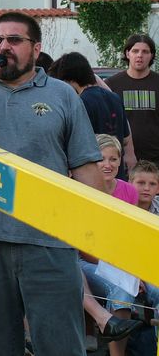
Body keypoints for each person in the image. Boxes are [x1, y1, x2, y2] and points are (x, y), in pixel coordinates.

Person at [0, 11, 104, 356]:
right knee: (0, 346)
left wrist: (97, 232)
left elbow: (86, 169)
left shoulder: (62, 95)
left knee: (60, 345)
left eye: (14, 40)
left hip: (49, 240)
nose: (4, 47)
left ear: (36, 48)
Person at [79, 134, 157, 356]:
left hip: (123, 262)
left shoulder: (128, 191)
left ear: (120, 161)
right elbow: (85, 248)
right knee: (122, 290)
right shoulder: (82, 190)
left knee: (153, 288)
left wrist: (134, 270)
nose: (108, 164)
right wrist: (123, 271)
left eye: (113, 159)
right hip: (89, 262)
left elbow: (129, 238)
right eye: (101, 159)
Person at [50, 51, 136, 178]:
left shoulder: (80, 103)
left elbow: (76, 146)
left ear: (68, 80)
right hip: (115, 174)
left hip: (94, 177)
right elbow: (125, 139)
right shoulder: (114, 98)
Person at [106, 35, 159, 166]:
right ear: (127, 53)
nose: (140, 55)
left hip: (155, 159)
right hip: (121, 159)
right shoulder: (111, 85)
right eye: (135, 51)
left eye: (145, 51)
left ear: (152, 55)